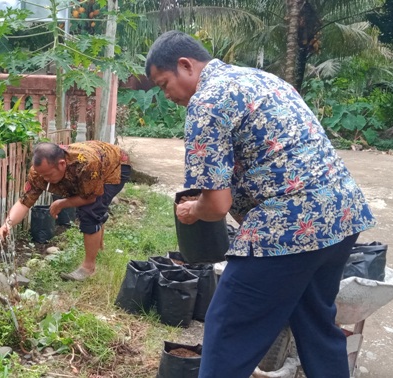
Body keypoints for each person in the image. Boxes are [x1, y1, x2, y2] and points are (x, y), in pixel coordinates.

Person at [145, 31, 376, 378]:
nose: (166, 94)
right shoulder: (262, 78)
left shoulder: (207, 101)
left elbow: (217, 205)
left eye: (164, 84)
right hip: (341, 215)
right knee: (315, 323)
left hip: (289, 227)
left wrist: (192, 211)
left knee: (227, 328)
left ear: (185, 65)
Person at [0, 141, 131, 281]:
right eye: (42, 175)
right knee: (94, 208)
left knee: (91, 210)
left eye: (48, 175)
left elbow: (90, 198)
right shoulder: (39, 172)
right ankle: (97, 240)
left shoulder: (85, 163)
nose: (45, 179)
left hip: (116, 166)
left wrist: (62, 203)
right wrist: (8, 223)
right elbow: (24, 202)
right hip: (97, 164)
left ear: (61, 164)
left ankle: (88, 268)